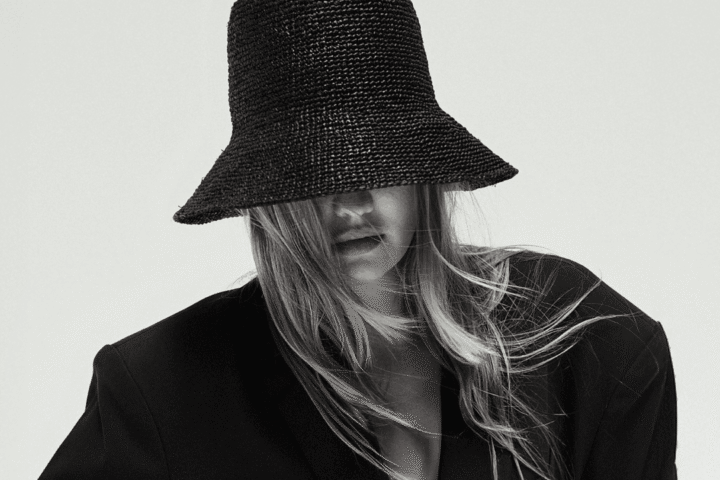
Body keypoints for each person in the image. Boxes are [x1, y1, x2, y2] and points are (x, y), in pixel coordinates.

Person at [39, 1, 677, 479]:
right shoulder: (164, 391)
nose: (349, 206)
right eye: (312, 174)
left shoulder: (587, 345)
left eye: (376, 161)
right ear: (265, 195)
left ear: (422, 168)